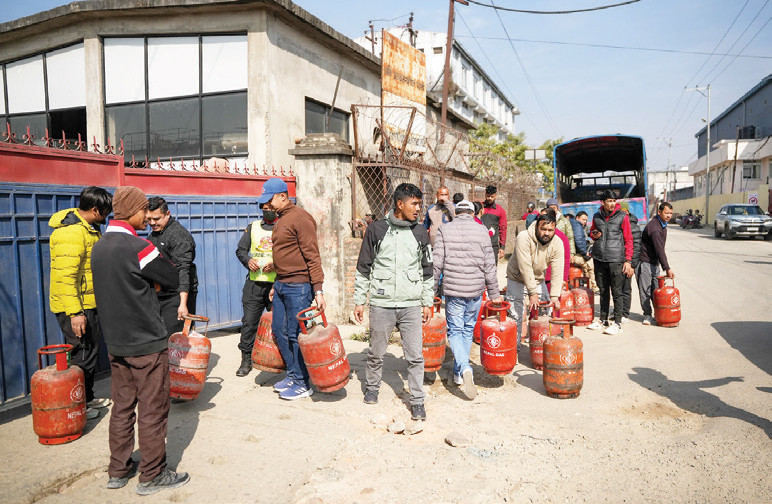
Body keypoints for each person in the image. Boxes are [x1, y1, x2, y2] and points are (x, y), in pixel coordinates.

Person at [91, 186, 189, 495]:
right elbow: (172, 278)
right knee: (152, 409)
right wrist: (154, 287)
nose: (147, 216)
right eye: (143, 210)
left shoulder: (100, 246)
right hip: (146, 342)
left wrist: (148, 286)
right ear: (131, 212)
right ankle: (152, 475)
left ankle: (118, 471)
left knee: (122, 408)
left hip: (117, 343)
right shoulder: (140, 247)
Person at [353, 183, 433, 421]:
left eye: (419, 204)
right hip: (382, 302)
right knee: (376, 352)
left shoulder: (420, 232)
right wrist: (360, 301)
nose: (419, 208)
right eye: (414, 204)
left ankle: (417, 400)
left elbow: (427, 269)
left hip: (410, 305)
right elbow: (363, 268)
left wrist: (426, 302)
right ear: (400, 204)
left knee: (415, 356)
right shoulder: (376, 230)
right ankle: (372, 388)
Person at [48, 186, 113, 420]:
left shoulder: (88, 229)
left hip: (87, 302)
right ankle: (79, 404)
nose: (107, 217)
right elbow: (66, 278)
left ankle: (86, 396)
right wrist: (76, 313)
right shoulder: (72, 233)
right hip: (77, 306)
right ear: (95, 209)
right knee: (83, 353)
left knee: (89, 351)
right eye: (105, 212)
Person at [259, 178, 325, 400]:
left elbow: (312, 256)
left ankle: (303, 383)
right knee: (279, 331)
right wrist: (274, 283)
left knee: (297, 335)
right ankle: (293, 373)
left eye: (269, 200)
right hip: (280, 285)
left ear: (283, 196)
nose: (266, 205)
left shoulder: (301, 218)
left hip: (299, 287)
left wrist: (318, 290)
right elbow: (284, 254)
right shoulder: (281, 219)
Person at [432, 200, 500, 400]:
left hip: (453, 291)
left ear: (456, 212)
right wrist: (494, 293)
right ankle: (459, 371)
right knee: (467, 330)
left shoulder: (444, 230)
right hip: (475, 291)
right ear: (472, 213)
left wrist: (431, 292)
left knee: (455, 331)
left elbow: (437, 264)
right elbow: (490, 265)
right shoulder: (481, 231)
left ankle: (464, 368)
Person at [504, 212, 564, 350]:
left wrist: (555, 296)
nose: (546, 233)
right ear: (537, 226)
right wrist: (532, 293)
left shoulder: (557, 243)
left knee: (545, 313)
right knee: (515, 314)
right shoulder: (524, 237)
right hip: (517, 278)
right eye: (543, 229)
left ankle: (542, 347)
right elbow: (525, 266)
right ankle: (514, 348)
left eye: (550, 230)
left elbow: (557, 270)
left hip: (538, 279)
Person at [233, 203, 277, 377]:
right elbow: (240, 250)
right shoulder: (253, 227)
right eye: (265, 208)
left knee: (280, 324)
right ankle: (246, 359)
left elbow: (290, 253)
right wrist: (247, 261)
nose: (268, 211)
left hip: (277, 284)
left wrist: (276, 265)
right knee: (249, 323)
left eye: (271, 208)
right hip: (254, 284)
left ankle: (282, 358)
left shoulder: (283, 226)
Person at [147, 197, 198, 337]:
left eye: (156, 219)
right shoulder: (154, 234)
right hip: (161, 294)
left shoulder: (179, 236)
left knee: (176, 338)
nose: (152, 223)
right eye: (149, 219)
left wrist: (183, 304)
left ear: (167, 214)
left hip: (177, 295)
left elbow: (184, 270)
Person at [586, 190, 634, 335]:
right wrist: (593, 234)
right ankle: (603, 320)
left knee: (617, 292)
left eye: (614, 201)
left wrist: (628, 260)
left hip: (616, 259)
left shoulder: (622, 217)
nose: (612, 204)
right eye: (609, 201)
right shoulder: (596, 216)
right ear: (603, 202)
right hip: (599, 258)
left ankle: (617, 323)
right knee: (603, 291)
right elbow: (592, 232)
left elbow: (629, 239)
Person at [638, 202, 675, 326]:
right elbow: (660, 249)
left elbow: (659, 250)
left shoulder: (662, 224)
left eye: (670, 213)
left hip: (654, 263)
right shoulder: (654, 227)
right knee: (646, 290)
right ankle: (647, 315)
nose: (668, 215)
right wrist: (667, 268)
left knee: (656, 289)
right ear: (659, 212)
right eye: (666, 213)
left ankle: (659, 313)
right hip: (645, 262)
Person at [618, 201, 641, 324]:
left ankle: (625, 313)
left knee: (626, 288)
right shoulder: (619, 223)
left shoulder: (633, 226)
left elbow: (637, 248)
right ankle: (618, 311)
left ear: (626, 212)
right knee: (617, 289)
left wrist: (632, 265)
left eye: (620, 212)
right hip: (618, 261)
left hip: (629, 262)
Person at [568, 211, 598, 291]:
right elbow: (579, 241)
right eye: (583, 219)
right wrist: (585, 254)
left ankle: (589, 286)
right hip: (576, 255)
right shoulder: (577, 226)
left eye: (586, 220)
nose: (585, 222)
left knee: (587, 266)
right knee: (590, 264)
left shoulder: (575, 225)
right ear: (577, 218)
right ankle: (594, 288)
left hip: (575, 253)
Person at [481, 185, 507, 260]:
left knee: (492, 269)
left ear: (496, 196)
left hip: (493, 245)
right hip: (480, 244)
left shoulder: (500, 210)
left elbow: (503, 229)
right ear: (485, 194)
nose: (489, 198)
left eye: (492, 197)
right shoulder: (480, 207)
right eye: (488, 196)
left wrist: (502, 247)